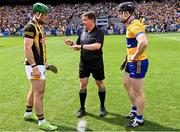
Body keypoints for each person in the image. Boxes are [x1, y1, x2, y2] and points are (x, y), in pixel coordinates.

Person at [64, 11, 107, 117]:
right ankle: (82, 108)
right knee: (83, 84)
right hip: (84, 63)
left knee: (99, 84)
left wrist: (81, 46)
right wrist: (72, 44)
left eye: (85, 20)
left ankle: (102, 107)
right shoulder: (82, 32)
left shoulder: (99, 32)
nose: (83, 22)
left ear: (92, 20)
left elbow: (97, 46)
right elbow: (77, 46)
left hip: (96, 63)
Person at [23, 2, 57, 130]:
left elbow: (39, 48)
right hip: (34, 65)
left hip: (38, 64)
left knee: (33, 90)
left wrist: (44, 63)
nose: (46, 17)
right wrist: (35, 66)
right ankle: (42, 122)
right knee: (39, 93)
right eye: (45, 15)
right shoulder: (31, 27)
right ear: (37, 14)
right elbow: (27, 48)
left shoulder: (38, 26)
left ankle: (28, 113)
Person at [118, 2, 149, 127]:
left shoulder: (134, 25)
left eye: (120, 13)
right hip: (131, 62)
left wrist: (135, 56)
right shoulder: (130, 24)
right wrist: (127, 58)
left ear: (127, 13)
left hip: (138, 62)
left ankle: (139, 119)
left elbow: (143, 43)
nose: (119, 15)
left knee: (137, 91)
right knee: (126, 84)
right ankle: (134, 110)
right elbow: (133, 45)